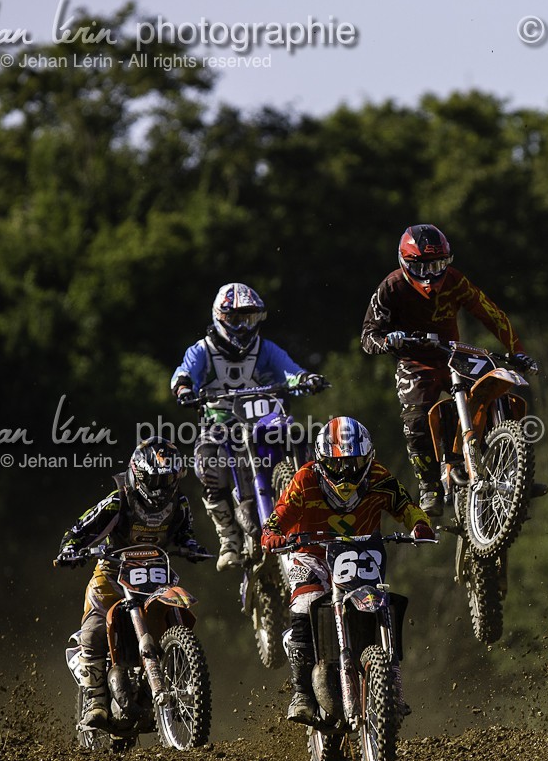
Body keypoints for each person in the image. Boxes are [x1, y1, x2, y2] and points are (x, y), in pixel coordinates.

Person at [259, 416, 434, 725]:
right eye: (336, 464)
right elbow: (281, 514)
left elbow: (406, 507)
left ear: (367, 459)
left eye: (352, 463)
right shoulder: (306, 479)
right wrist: (272, 534)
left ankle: (390, 684)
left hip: (362, 554)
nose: (344, 472)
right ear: (322, 460)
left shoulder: (380, 478)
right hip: (311, 555)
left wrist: (420, 525)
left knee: (383, 604)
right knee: (303, 605)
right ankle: (301, 693)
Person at [359, 224, 530, 514]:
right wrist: (388, 341)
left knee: (496, 386)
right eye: (422, 267)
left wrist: (518, 351)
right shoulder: (391, 287)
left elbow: (490, 313)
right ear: (405, 262)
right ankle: (429, 487)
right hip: (415, 361)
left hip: (453, 354)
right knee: (415, 421)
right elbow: (367, 336)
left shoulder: (455, 281)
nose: (431, 275)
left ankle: (511, 470)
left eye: (438, 265)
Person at [170, 282, 326, 571]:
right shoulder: (202, 351)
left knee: (302, 437)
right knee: (207, 465)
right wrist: (183, 389)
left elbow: (290, 371)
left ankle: (309, 508)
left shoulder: (265, 349)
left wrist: (306, 379)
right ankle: (229, 539)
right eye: (236, 319)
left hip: (264, 420)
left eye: (250, 318)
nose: (243, 327)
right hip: (220, 423)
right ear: (220, 317)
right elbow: (184, 373)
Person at [54, 437, 207, 728]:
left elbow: (185, 532)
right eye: (155, 479)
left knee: (176, 616)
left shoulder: (179, 504)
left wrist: (191, 546)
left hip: (156, 577)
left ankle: (175, 677)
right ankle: (97, 701)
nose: (162, 488)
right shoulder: (119, 501)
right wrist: (71, 549)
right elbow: (79, 529)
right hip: (113, 576)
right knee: (94, 631)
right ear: (138, 474)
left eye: (168, 480)